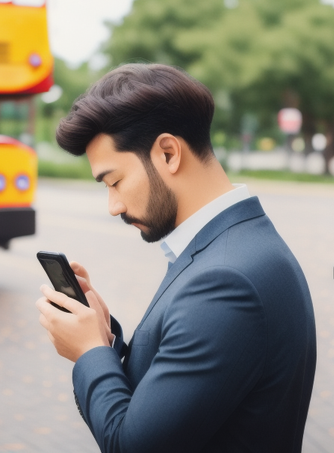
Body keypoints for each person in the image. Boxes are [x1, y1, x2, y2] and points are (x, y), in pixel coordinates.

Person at [36, 63, 316, 453]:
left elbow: (131, 445)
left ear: (168, 153)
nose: (113, 206)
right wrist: (105, 338)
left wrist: (89, 352)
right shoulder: (234, 244)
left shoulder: (225, 282)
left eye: (114, 182)